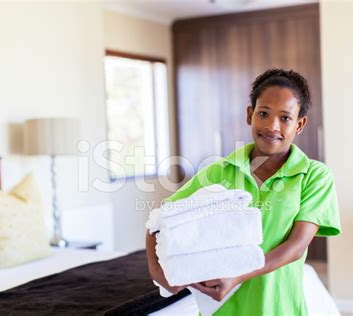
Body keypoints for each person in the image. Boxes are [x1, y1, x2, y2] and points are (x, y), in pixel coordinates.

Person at [146, 68, 341, 315]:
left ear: (300, 124)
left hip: (279, 308)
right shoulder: (218, 171)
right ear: (250, 115)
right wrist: (159, 272)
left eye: (285, 118)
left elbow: (296, 247)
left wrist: (238, 277)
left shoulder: (314, 176)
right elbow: (160, 220)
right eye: (263, 113)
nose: (272, 126)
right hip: (221, 309)